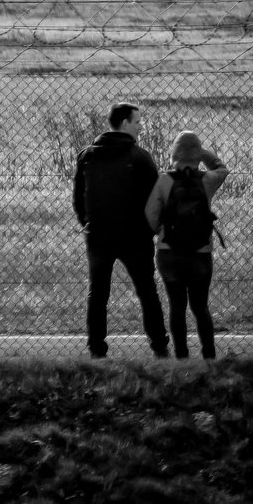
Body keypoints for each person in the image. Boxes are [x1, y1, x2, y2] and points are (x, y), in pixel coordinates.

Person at [73, 102, 170, 359]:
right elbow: (155, 199)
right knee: (147, 291)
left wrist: (89, 224)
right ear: (125, 123)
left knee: (98, 292)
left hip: (99, 236)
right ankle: (159, 346)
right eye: (137, 121)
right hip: (135, 237)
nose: (141, 126)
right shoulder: (139, 157)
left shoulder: (87, 155)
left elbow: (78, 199)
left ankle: (96, 348)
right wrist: (149, 228)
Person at [145, 130, 229, 360]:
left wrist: (160, 231)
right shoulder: (207, 180)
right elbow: (222, 169)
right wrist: (203, 154)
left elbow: (150, 215)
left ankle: (182, 358)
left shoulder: (164, 180)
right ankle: (209, 356)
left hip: (169, 253)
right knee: (200, 307)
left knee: (177, 306)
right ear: (196, 155)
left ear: (174, 153)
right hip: (200, 254)